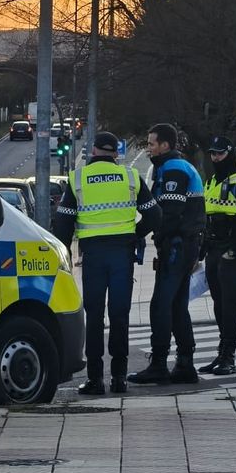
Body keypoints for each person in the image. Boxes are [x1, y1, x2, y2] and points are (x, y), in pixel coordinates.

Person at [52, 131, 159, 396]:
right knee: (120, 316)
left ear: (94, 152)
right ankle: (120, 378)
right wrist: (135, 234)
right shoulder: (130, 177)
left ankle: (96, 380)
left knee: (96, 317)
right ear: (116, 153)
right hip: (122, 254)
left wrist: (61, 255)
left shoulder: (79, 179)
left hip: (94, 257)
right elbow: (155, 215)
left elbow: (63, 224)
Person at [128, 122, 205, 385]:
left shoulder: (173, 169)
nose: (149, 148)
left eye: (151, 144)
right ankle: (185, 363)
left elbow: (169, 214)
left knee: (161, 304)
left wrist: (154, 234)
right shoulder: (178, 167)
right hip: (185, 244)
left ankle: (160, 363)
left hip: (177, 244)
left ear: (165, 145)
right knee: (176, 305)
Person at [201, 135, 236, 375]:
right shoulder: (211, 181)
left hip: (230, 251)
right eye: (213, 154)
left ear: (230, 154)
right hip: (213, 250)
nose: (215, 158)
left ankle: (229, 357)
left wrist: (234, 249)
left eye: (220, 154)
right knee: (218, 304)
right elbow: (206, 218)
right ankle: (221, 352)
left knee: (231, 304)